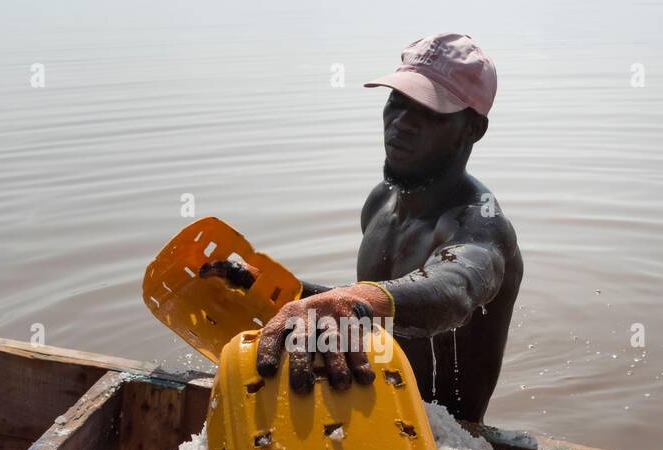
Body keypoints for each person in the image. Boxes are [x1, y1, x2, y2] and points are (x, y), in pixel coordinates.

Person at [202, 33, 522, 424]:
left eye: (428, 112)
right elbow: (370, 312)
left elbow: (455, 289)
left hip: (445, 436)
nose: (402, 124)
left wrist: (352, 302)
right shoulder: (380, 203)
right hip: (368, 411)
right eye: (397, 103)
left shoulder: (480, 224)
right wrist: (273, 287)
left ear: (473, 129)